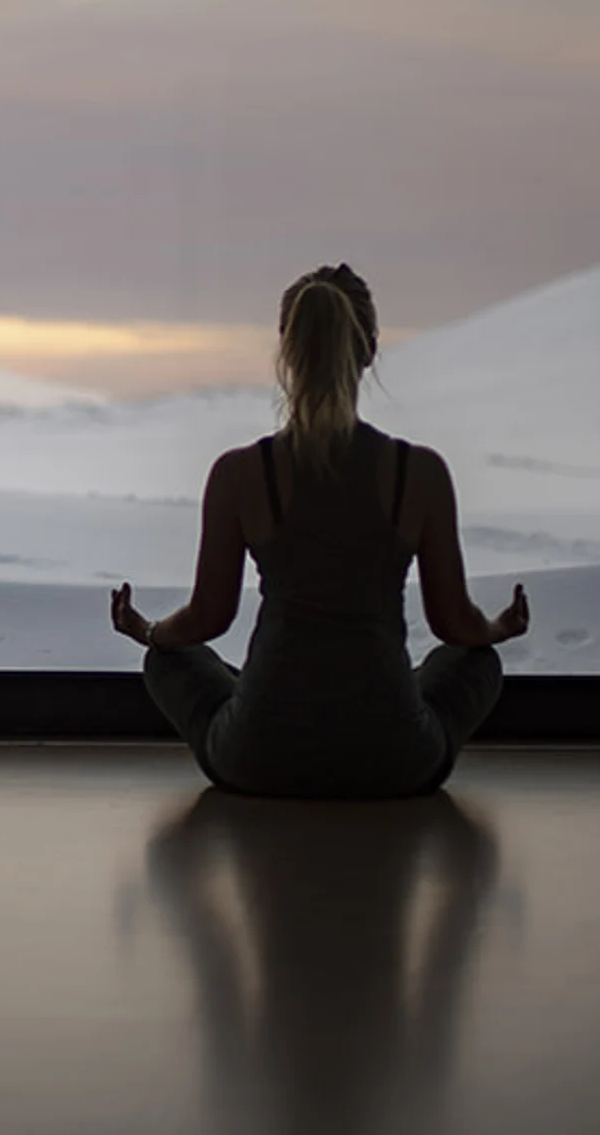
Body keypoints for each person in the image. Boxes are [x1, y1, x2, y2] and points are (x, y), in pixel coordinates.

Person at [110, 263, 530, 798]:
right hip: (395, 760)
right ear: (370, 349)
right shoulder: (417, 473)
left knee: (170, 660)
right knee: (478, 662)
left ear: (286, 350)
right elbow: (455, 626)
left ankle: (260, 693)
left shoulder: (241, 473)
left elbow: (206, 619)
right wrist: (499, 629)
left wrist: (147, 632)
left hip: (258, 757)